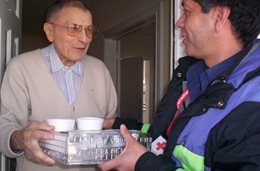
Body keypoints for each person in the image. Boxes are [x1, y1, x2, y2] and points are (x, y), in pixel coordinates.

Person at [100, 0, 260, 170]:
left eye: (188, 11)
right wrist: (118, 125)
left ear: (219, 17)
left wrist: (143, 164)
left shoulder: (253, 104)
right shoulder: (190, 75)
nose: (179, 22)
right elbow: (165, 134)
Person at [0, 0, 117, 171]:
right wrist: (20, 139)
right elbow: (5, 126)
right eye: (74, 28)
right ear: (50, 31)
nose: (84, 39)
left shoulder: (100, 70)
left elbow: (110, 124)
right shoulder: (21, 67)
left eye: (89, 30)